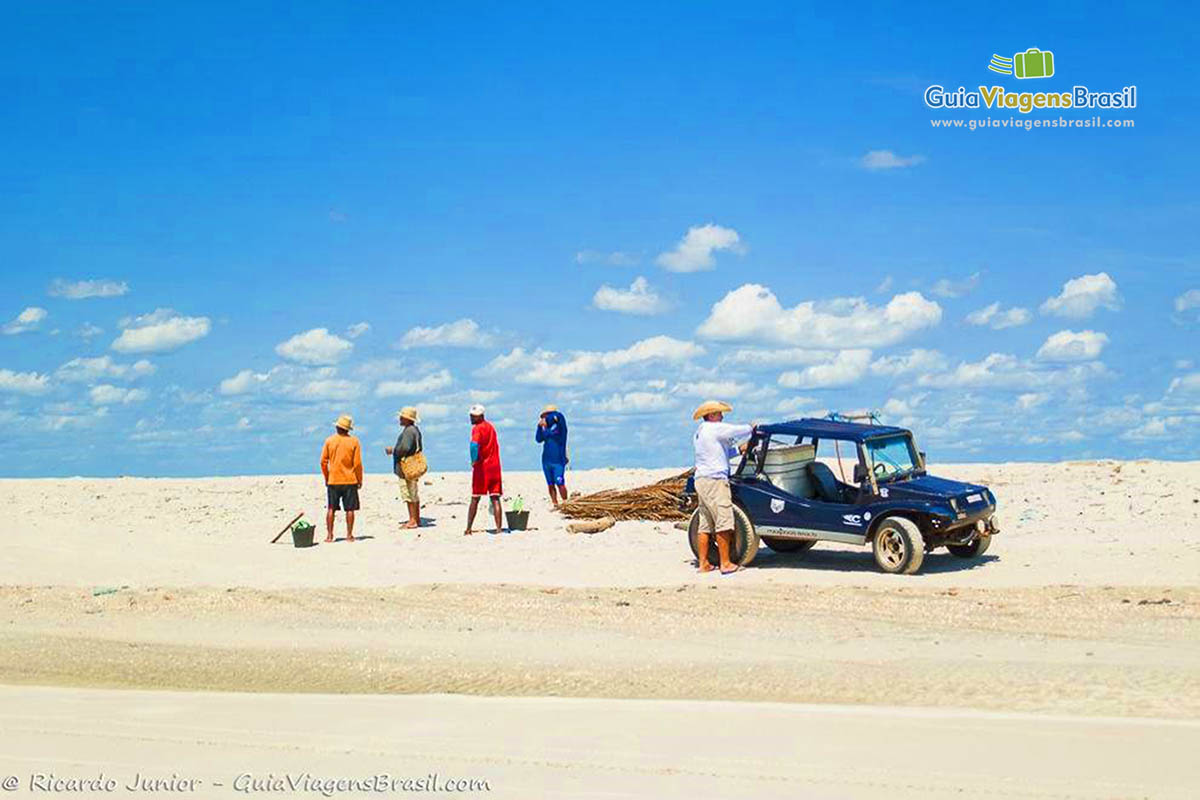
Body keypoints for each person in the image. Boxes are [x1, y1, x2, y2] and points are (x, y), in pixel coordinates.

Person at [692, 400, 754, 574]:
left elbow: (720, 451)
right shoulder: (714, 428)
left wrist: (739, 450)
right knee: (724, 520)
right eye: (719, 413)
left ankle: (704, 563)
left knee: (705, 523)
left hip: (703, 479)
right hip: (715, 481)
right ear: (711, 415)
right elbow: (736, 430)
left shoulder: (701, 431)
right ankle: (725, 563)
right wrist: (752, 427)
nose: (722, 416)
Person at [321, 414, 363, 543]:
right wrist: (359, 479)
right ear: (348, 429)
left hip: (333, 479)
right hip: (350, 480)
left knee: (331, 508)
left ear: (338, 427)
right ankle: (349, 535)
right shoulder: (354, 441)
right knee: (350, 509)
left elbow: (323, 462)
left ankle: (329, 535)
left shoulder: (329, 441)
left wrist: (327, 477)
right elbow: (357, 464)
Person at [464, 404, 504, 535]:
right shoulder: (491, 427)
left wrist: (474, 460)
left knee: (475, 498)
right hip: (495, 467)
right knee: (495, 498)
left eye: (473, 416)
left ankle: (468, 529)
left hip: (482, 468)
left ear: (480, 416)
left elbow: (474, 445)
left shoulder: (477, 428)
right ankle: (498, 529)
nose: (471, 418)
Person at [384, 406, 422, 529]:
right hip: (413, 466)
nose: (400, 419)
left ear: (407, 419)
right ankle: (416, 519)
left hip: (406, 468)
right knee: (414, 493)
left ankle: (412, 520)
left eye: (402, 417)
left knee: (408, 494)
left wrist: (393, 450)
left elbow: (405, 448)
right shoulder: (415, 430)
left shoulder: (409, 431)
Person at [535, 405, 569, 507]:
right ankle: (555, 503)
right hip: (546, 460)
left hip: (558, 460)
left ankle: (565, 502)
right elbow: (538, 439)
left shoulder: (560, 424)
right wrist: (539, 427)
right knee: (550, 484)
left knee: (560, 482)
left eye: (547, 415)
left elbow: (558, 416)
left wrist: (548, 419)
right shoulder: (545, 428)